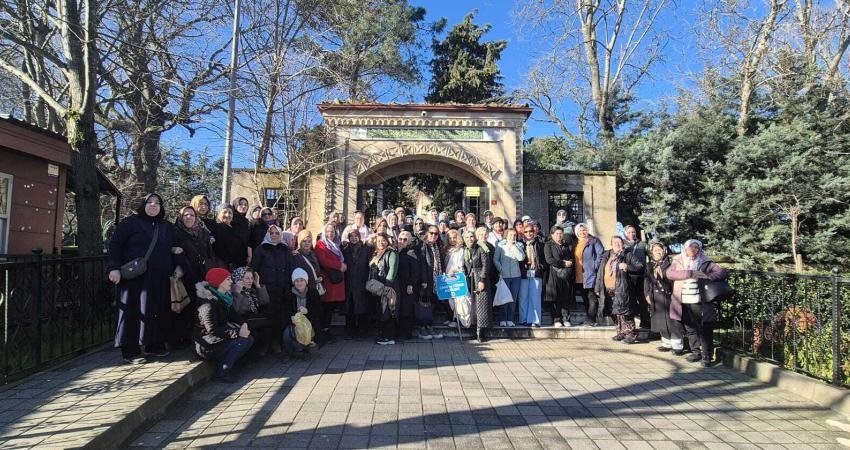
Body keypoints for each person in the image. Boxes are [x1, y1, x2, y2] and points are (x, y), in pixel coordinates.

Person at [108, 194, 182, 363]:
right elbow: (115, 245)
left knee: (157, 310)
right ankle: (130, 349)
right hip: (135, 278)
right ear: (143, 204)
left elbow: (176, 246)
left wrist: (178, 264)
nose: (153, 205)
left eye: (157, 203)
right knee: (133, 311)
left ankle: (153, 344)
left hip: (160, 277)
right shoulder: (130, 223)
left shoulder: (166, 226)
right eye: (149, 202)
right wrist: (113, 268)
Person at [666, 239, 728, 367]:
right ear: (685, 248)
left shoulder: (705, 261)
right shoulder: (678, 260)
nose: (693, 250)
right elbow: (670, 274)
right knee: (690, 327)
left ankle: (707, 356)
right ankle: (696, 352)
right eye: (690, 247)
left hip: (701, 301)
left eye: (696, 247)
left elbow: (721, 272)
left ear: (699, 249)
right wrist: (689, 273)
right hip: (682, 300)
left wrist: (707, 276)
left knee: (705, 327)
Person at [193, 268, 254, 383]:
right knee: (243, 341)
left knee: (249, 337)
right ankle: (222, 372)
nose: (231, 281)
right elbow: (212, 330)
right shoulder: (208, 303)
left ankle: (228, 365)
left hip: (217, 337)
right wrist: (236, 333)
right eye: (228, 279)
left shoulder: (224, 297)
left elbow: (234, 316)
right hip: (206, 344)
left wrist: (244, 324)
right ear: (219, 282)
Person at [173, 205, 214, 348]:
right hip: (185, 273)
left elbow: (209, 253)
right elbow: (173, 251)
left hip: (201, 274)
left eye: (191, 215)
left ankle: (197, 335)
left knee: (200, 305)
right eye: (185, 215)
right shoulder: (176, 232)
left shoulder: (203, 233)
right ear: (180, 217)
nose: (188, 217)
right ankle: (181, 338)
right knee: (185, 306)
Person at [594, 236, 644, 344]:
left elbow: (640, 267)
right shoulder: (606, 256)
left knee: (625, 312)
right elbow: (600, 273)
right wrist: (598, 287)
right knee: (614, 312)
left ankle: (631, 334)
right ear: (611, 244)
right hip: (608, 289)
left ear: (623, 244)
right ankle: (621, 332)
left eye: (619, 242)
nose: (617, 244)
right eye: (615, 242)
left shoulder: (628, 255)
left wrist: (627, 266)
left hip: (622, 289)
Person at [250, 224, 292, 352]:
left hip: (283, 289)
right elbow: (255, 268)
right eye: (271, 233)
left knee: (282, 317)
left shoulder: (285, 249)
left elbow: (289, 268)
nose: (274, 235)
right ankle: (268, 344)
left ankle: (280, 342)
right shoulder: (261, 249)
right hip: (267, 289)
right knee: (269, 317)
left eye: (276, 233)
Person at [645, 242, 684, 354]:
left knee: (673, 321)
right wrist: (647, 293)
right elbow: (646, 281)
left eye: (659, 249)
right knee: (661, 320)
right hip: (656, 296)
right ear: (651, 252)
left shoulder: (671, 263)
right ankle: (666, 343)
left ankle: (677, 346)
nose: (657, 251)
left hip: (670, 295)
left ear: (664, 250)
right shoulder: (649, 265)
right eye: (655, 250)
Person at [230, 267, 273, 356]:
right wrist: (237, 293)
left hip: (256, 318)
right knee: (265, 325)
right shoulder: (233, 293)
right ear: (239, 279)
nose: (250, 281)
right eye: (247, 278)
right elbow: (235, 310)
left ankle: (262, 353)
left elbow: (265, 302)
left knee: (268, 329)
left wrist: (257, 285)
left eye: (251, 278)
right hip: (244, 320)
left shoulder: (252, 291)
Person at [316, 223, 346, 342]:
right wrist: (339, 265)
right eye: (328, 231)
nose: (330, 233)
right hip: (328, 279)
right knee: (326, 308)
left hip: (336, 280)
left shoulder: (336, 244)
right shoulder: (321, 244)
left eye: (332, 231)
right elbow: (323, 261)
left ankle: (327, 331)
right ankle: (324, 333)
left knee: (331, 307)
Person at [369, 233, 399, 345]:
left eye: (383, 240)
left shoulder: (392, 253)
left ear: (387, 241)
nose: (381, 243)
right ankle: (383, 335)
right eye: (379, 241)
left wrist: (387, 287)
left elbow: (392, 270)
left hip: (387, 287)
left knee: (388, 310)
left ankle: (389, 337)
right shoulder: (376, 253)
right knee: (381, 310)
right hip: (377, 287)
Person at [462, 230, 492, 341]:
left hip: (479, 278)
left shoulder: (481, 248)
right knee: (473, 306)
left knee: (481, 306)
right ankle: (474, 330)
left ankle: (481, 333)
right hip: (470, 279)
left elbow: (486, 265)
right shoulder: (465, 250)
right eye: (467, 237)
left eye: (471, 237)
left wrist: (482, 279)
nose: (470, 239)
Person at [341, 226, 371, 338]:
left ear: (359, 237)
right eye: (351, 236)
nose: (354, 238)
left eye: (356, 236)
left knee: (362, 309)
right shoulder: (345, 249)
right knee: (350, 309)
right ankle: (350, 331)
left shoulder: (365, 249)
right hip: (349, 282)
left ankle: (362, 332)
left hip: (362, 281)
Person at [573, 223, 605, 326]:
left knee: (592, 297)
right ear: (577, 232)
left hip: (590, 274)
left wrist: (594, 267)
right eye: (580, 230)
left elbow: (600, 255)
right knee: (585, 298)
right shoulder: (576, 243)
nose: (582, 232)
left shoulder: (594, 241)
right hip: (579, 275)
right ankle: (590, 319)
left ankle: (591, 319)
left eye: (584, 230)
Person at [544, 226, 576, 327]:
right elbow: (549, 260)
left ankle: (566, 318)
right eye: (557, 233)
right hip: (554, 274)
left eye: (561, 233)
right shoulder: (548, 245)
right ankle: (556, 319)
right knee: (555, 297)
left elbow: (571, 257)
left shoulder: (565, 245)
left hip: (565, 274)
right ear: (552, 235)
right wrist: (563, 263)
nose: (559, 235)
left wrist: (570, 262)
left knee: (565, 296)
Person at [494, 228, 524, 327]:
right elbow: (496, 260)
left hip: (516, 276)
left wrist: (513, 247)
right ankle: (503, 318)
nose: (513, 237)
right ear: (506, 236)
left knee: (513, 298)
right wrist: (501, 269)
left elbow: (521, 258)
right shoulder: (500, 246)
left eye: (514, 235)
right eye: (510, 235)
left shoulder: (519, 245)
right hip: (504, 276)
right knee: (504, 298)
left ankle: (510, 319)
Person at [287, 268, 323, 352]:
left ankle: (309, 345)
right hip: (294, 323)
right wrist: (291, 316)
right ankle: (293, 349)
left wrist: (308, 311)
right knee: (287, 332)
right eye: (297, 281)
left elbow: (319, 311)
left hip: (310, 322)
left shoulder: (313, 292)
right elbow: (285, 309)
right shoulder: (288, 293)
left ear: (306, 281)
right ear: (293, 282)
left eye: (301, 280)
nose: (299, 283)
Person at [396, 231, 423, 340]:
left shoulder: (412, 252)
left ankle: (406, 333)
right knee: (400, 308)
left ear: (410, 240)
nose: (402, 241)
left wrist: (411, 284)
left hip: (408, 285)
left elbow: (416, 271)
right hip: (398, 284)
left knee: (407, 309)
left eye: (405, 239)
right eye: (400, 239)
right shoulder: (398, 251)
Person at [419, 225, 444, 339]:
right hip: (427, 279)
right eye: (431, 233)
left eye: (436, 234)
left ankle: (429, 327)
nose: (433, 235)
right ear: (427, 233)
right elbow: (422, 264)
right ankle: (423, 328)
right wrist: (424, 280)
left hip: (436, 279)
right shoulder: (423, 246)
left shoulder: (437, 246)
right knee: (425, 304)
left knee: (432, 304)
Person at [623, 225, 649, 328]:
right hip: (628, 276)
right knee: (630, 300)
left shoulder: (642, 245)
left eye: (633, 232)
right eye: (629, 232)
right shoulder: (623, 245)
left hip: (641, 276)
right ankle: (631, 323)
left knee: (642, 299)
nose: (631, 234)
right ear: (625, 233)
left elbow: (651, 255)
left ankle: (645, 321)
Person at [519, 224, 545, 327]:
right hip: (523, 272)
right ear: (523, 233)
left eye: (531, 231)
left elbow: (544, 258)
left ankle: (535, 320)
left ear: (534, 232)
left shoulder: (540, 243)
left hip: (536, 272)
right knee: (523, 297)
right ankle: (524, 319)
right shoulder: (520, 244)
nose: (528, 233)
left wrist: (541, 267)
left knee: (535, 297)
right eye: (526, 232)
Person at [443, 229, 466, 327]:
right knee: (449, 299)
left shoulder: (460, 249)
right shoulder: (446, 249)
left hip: (456, 276)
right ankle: (450, 317)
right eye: (450, 238)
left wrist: (453, 271)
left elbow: (460, 264)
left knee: (457, 299)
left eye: (454, 238)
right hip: (446, 276)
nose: (452, 240)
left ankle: (457, 320)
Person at [230, 197, 252, 263]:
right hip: (231, 255)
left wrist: (249, 255)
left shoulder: (246, 221)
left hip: (244, 255)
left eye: (246, 204)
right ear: (235, 205)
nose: (243, 206)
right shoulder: (231, 219)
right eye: (241, 204)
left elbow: (248, 239)